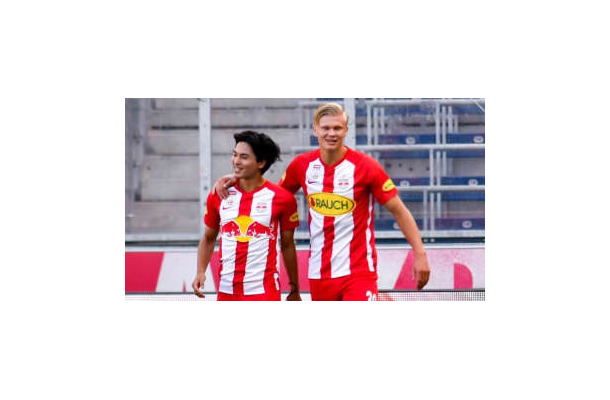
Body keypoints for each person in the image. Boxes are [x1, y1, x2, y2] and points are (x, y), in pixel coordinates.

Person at [214, 103, 430, 301]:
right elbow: (270, 196)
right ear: (315, 129)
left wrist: (420, 254)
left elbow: (399, 211)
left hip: (358, 271)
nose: (331, 133)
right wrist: (239, 178)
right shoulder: (302, 165)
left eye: (337, 128)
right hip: (319, 273)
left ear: (346, 130)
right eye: (326, 128)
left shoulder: (366, 166)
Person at [192, 130, 301, 301]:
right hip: (227, 290)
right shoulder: (218, 194)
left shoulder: (283, 198)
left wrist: (294, 288)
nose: (236, 161)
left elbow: (287, 245)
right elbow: (208, 238)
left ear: (261, 162)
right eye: (234, 154)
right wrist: (200, 272)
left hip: (265, 292)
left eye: (244, 157)